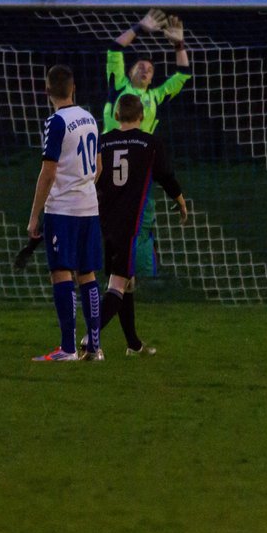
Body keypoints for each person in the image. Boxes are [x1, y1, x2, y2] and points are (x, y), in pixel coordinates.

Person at [89, 94, 188, 357]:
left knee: (125, 280)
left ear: (118, 116)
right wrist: (180, 200)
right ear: (141, 116)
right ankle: (91, 337)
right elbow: (166, 176)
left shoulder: (104, 141)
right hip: (132, 225)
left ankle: (133, 344)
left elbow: (93, 175)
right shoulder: (150, 143)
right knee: (118, 285)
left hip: (106, 220)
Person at [103, 7, 191, 279]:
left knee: (138, 225)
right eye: (140, 65)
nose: (145, 69)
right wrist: (140, 27)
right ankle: (103, 275)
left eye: (150, 69)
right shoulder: (118, 87)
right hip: (105, 164)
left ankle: (134, 280)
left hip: (139, 171)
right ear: (128, 71)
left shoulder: (155, 96)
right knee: (104, 224)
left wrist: (178, 44)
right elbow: (114, 48)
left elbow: (183, 75)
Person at [28, 65, 103, 362]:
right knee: (88, 273)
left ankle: (68, 348)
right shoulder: (90, 118)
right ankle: (94, 347)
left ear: (47, 92)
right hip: (89, 207)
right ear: (74, 88)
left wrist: (35, 216)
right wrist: (82, 184)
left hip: (63, 210)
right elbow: (97, 166)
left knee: (61, 272)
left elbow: (48, 172)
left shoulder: (56, 122)